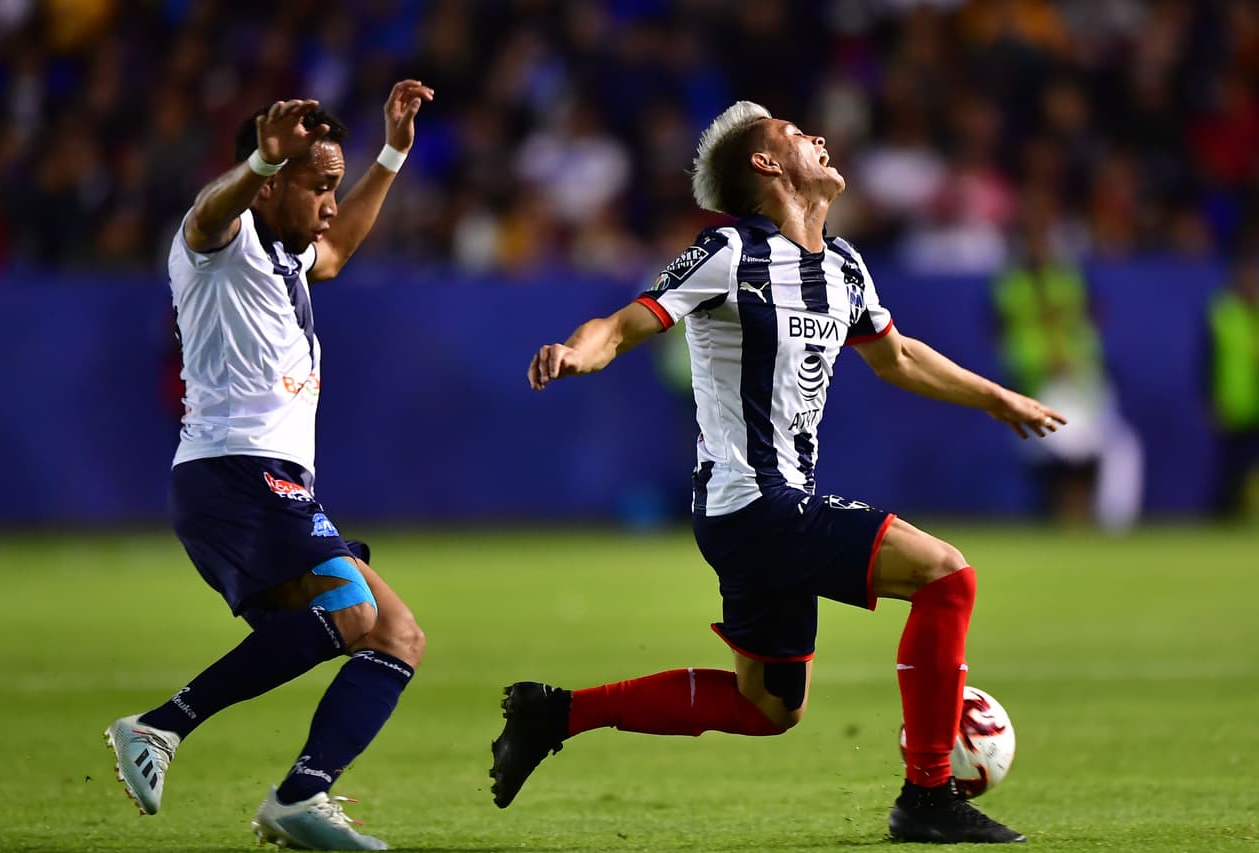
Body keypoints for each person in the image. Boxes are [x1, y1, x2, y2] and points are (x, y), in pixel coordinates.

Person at [490, 101, 1065, 844]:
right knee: (946, 576)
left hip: (762, 511)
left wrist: (995, 396)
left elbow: (898, 355)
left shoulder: (846, 266)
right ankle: (927, 796)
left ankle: (554, 712)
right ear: (765, 166)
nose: (819, 139)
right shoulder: (728, 253)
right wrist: (578, 351)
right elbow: (628, 321)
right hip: (754, 501)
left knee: (770, 708)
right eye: (797, 136)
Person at [104, 80, 434, 851]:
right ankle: (160, 726)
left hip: (271, 482)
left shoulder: (289, 260)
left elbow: (340, 248)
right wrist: (258, 157)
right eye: (319, 185)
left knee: (396, 634)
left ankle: (300, 797)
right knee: (354, 612)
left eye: (333, 186)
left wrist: (391, 152)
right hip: (233, 474)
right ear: (275, 179)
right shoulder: (220, 243)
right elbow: (211, 210)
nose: (329, 201)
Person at [992, 200, 1143, 531]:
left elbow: (1087, 326)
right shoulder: (1010, 286)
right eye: (1032, 238)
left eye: (1044, 237)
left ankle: (1111, 526)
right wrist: (1043, 364)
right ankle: (1069, 515)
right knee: (1064, 453)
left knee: (1121, 448)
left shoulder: (1069, 279)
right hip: (1036, 392)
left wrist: (1077, 361)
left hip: (1081, 388)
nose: (1040, 246)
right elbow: (1006, 344)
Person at [1207, 249, 1259, 517]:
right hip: (1232, 404)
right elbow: (1207, 361)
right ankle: (1227, 515)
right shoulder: (1223, 313)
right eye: (1248, 277)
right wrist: (1212, 399)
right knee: (1230, 468)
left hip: (1256, 404)